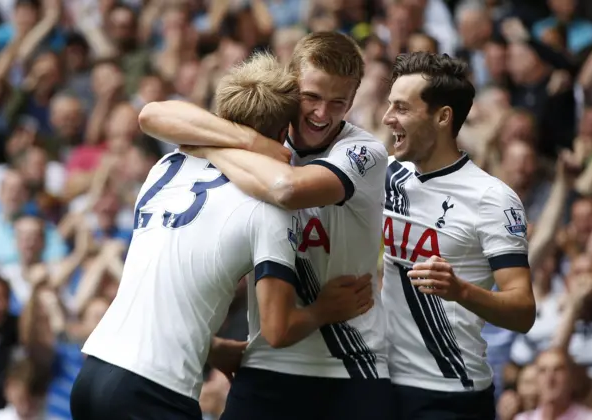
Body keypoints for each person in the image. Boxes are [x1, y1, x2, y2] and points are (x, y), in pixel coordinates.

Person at [69, 52, 373, 420]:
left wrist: (210, 348)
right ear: (282, 133)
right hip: (155, 390)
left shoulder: (166, 165)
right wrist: (324, 309)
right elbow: (277, 329)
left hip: (93, 371)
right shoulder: (266, 207)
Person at [139, 31, 393, 420]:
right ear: (293, 86)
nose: (322, 114)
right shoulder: (260, 138)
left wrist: (206, 146)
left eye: (338, 102)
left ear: (353, 101)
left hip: (349, 364)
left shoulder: (365, 152)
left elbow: (286, 189)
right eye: (311, 97)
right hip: (266, 360)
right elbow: (152, 115)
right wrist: (242, 142)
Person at [380, 51, 536, 419]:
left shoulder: (492, 198)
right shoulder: (386, 175)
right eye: (389, 106)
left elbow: (523, 311)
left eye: (401, 108)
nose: (388, 119)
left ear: (442, 116)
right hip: (383, 384)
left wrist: (460, 290)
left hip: (450, 392)